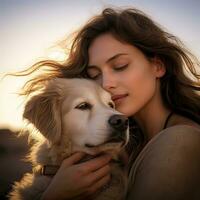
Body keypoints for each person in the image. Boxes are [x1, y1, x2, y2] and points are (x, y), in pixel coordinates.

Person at [16, 7, 200, 199]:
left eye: (120, 66)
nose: (106, 84)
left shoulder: (179, 140)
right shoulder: (128, 147)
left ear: (157, 66)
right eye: (94, 75)